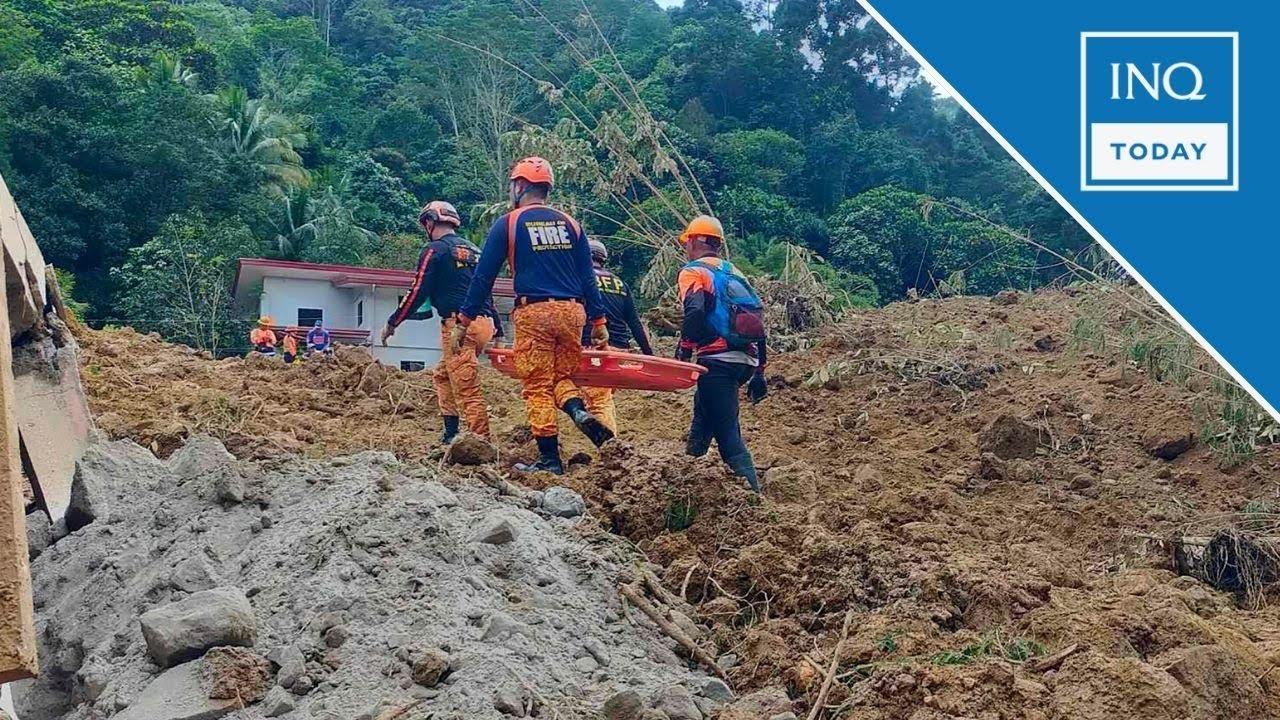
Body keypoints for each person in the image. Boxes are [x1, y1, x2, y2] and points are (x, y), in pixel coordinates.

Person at [457, 156, 611, 474]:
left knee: (537, 384)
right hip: (572, 312)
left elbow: (483, 277)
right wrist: (599, 323)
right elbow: (588, 278)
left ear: (520, 185)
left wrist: (464, 319)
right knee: (560, 376)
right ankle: (577, 410)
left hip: (534, 312)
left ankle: (550, 461)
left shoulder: (509, 223)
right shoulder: (572, 224)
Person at [382, 200, 502, 443]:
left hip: (460, 326)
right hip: (484, 323)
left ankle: (481, 442)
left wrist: (393, 322)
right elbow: (484, 288)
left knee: (467, 387)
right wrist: (497, 325)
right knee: (443, 375)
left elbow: (418, 290)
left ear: (429, 222)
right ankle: (450, 432)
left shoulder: (434, 250)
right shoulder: (475, 251)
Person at [675, 215, 768, 492]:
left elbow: (694, 310)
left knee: (728, 434)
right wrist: (760, 370)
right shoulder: (735, 273)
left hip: (717, 360)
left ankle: (754, 500)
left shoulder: (693, 272)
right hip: (745, 360)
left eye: (686, 242)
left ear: (693, 241)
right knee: (704, 420)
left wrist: (685, 350)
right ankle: (685, 483)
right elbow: (757, 318)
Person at [579, 237, 653, 435]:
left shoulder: (579, 279)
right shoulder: (620, 284)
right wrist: (649, 355)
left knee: (597, 401)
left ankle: (610, 447)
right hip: (619, 351)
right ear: (604, 259)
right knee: (600, 396)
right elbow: (635, 323)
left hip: (593, 348)